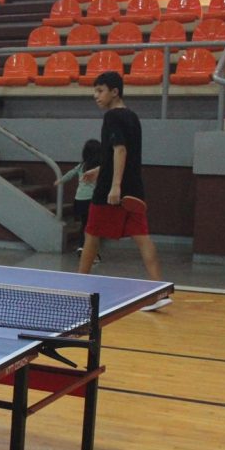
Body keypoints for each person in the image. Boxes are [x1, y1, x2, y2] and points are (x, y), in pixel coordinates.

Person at [79, 72, 168, 307]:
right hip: (135, 189)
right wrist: (99, 170)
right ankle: (160, 291)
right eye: (95, 91)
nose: (96, 96)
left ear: (115, 92)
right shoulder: (132, 116)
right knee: (143, 238)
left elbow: (120, 150)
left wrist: (114, 185)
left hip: (112, 191)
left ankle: (77, 286)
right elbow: (124, 154)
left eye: (100, 91)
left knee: (91, 236)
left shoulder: (112, 117)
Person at [54, 138, 102, 258]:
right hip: (92, 200)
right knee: (93, 226)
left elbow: (71, 173)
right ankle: (91, 250)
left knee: (84, 224)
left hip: (79, 200)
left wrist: (60, 180)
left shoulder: (82, 166)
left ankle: (81, 246)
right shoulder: (100, 168)